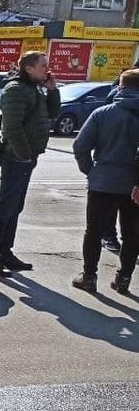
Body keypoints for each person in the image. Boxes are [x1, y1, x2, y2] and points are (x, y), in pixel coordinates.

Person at [0, 51, 62, 276]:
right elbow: (12, 128)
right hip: (16, 157)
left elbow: (53, 113)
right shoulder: (15, 90)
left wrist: (52, 89)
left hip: (27, 157)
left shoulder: (34, 89)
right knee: (6, 207)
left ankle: (5, 251)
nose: (47, 69)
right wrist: (24, 154)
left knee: (16, 207)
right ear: (28, 68)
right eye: (43, 65)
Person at [71, 68, 139, 295]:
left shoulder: (102, 113)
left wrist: (90, 170)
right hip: (134, 185)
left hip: (102, 181)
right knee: (131, 234)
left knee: (94, 231)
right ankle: (123, 279)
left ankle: (89, 277)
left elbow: (81, 145)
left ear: (121, 87)